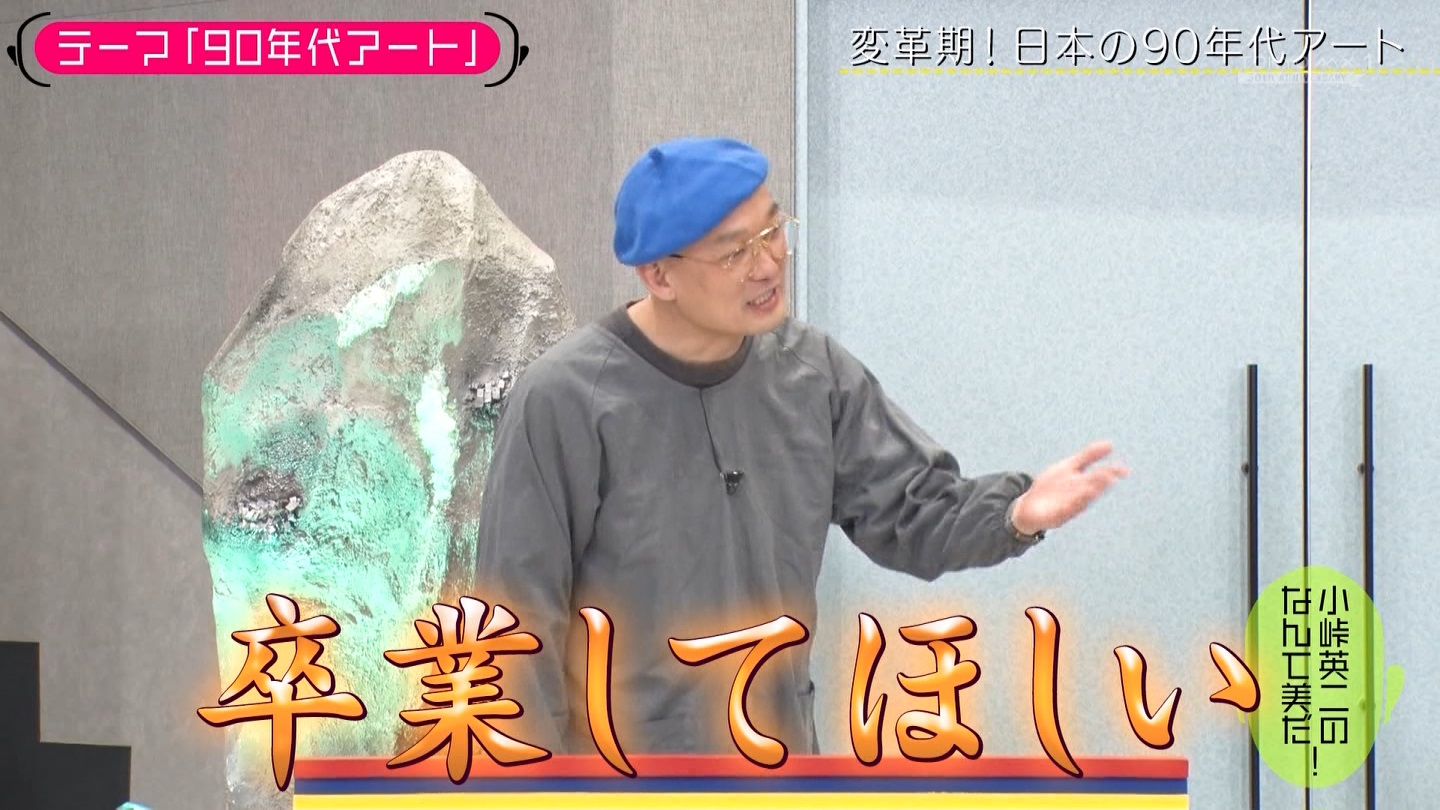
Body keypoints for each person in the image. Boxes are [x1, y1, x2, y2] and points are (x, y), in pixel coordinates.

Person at [474, 135, 1127, 759]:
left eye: (772, 230)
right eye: (733, 252)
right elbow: (517, 625)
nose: (767, 264)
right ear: (658, 274)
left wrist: (1014, 513)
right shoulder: (566, 399)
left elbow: (911, 510)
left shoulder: (811, 374)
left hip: (779, 765)